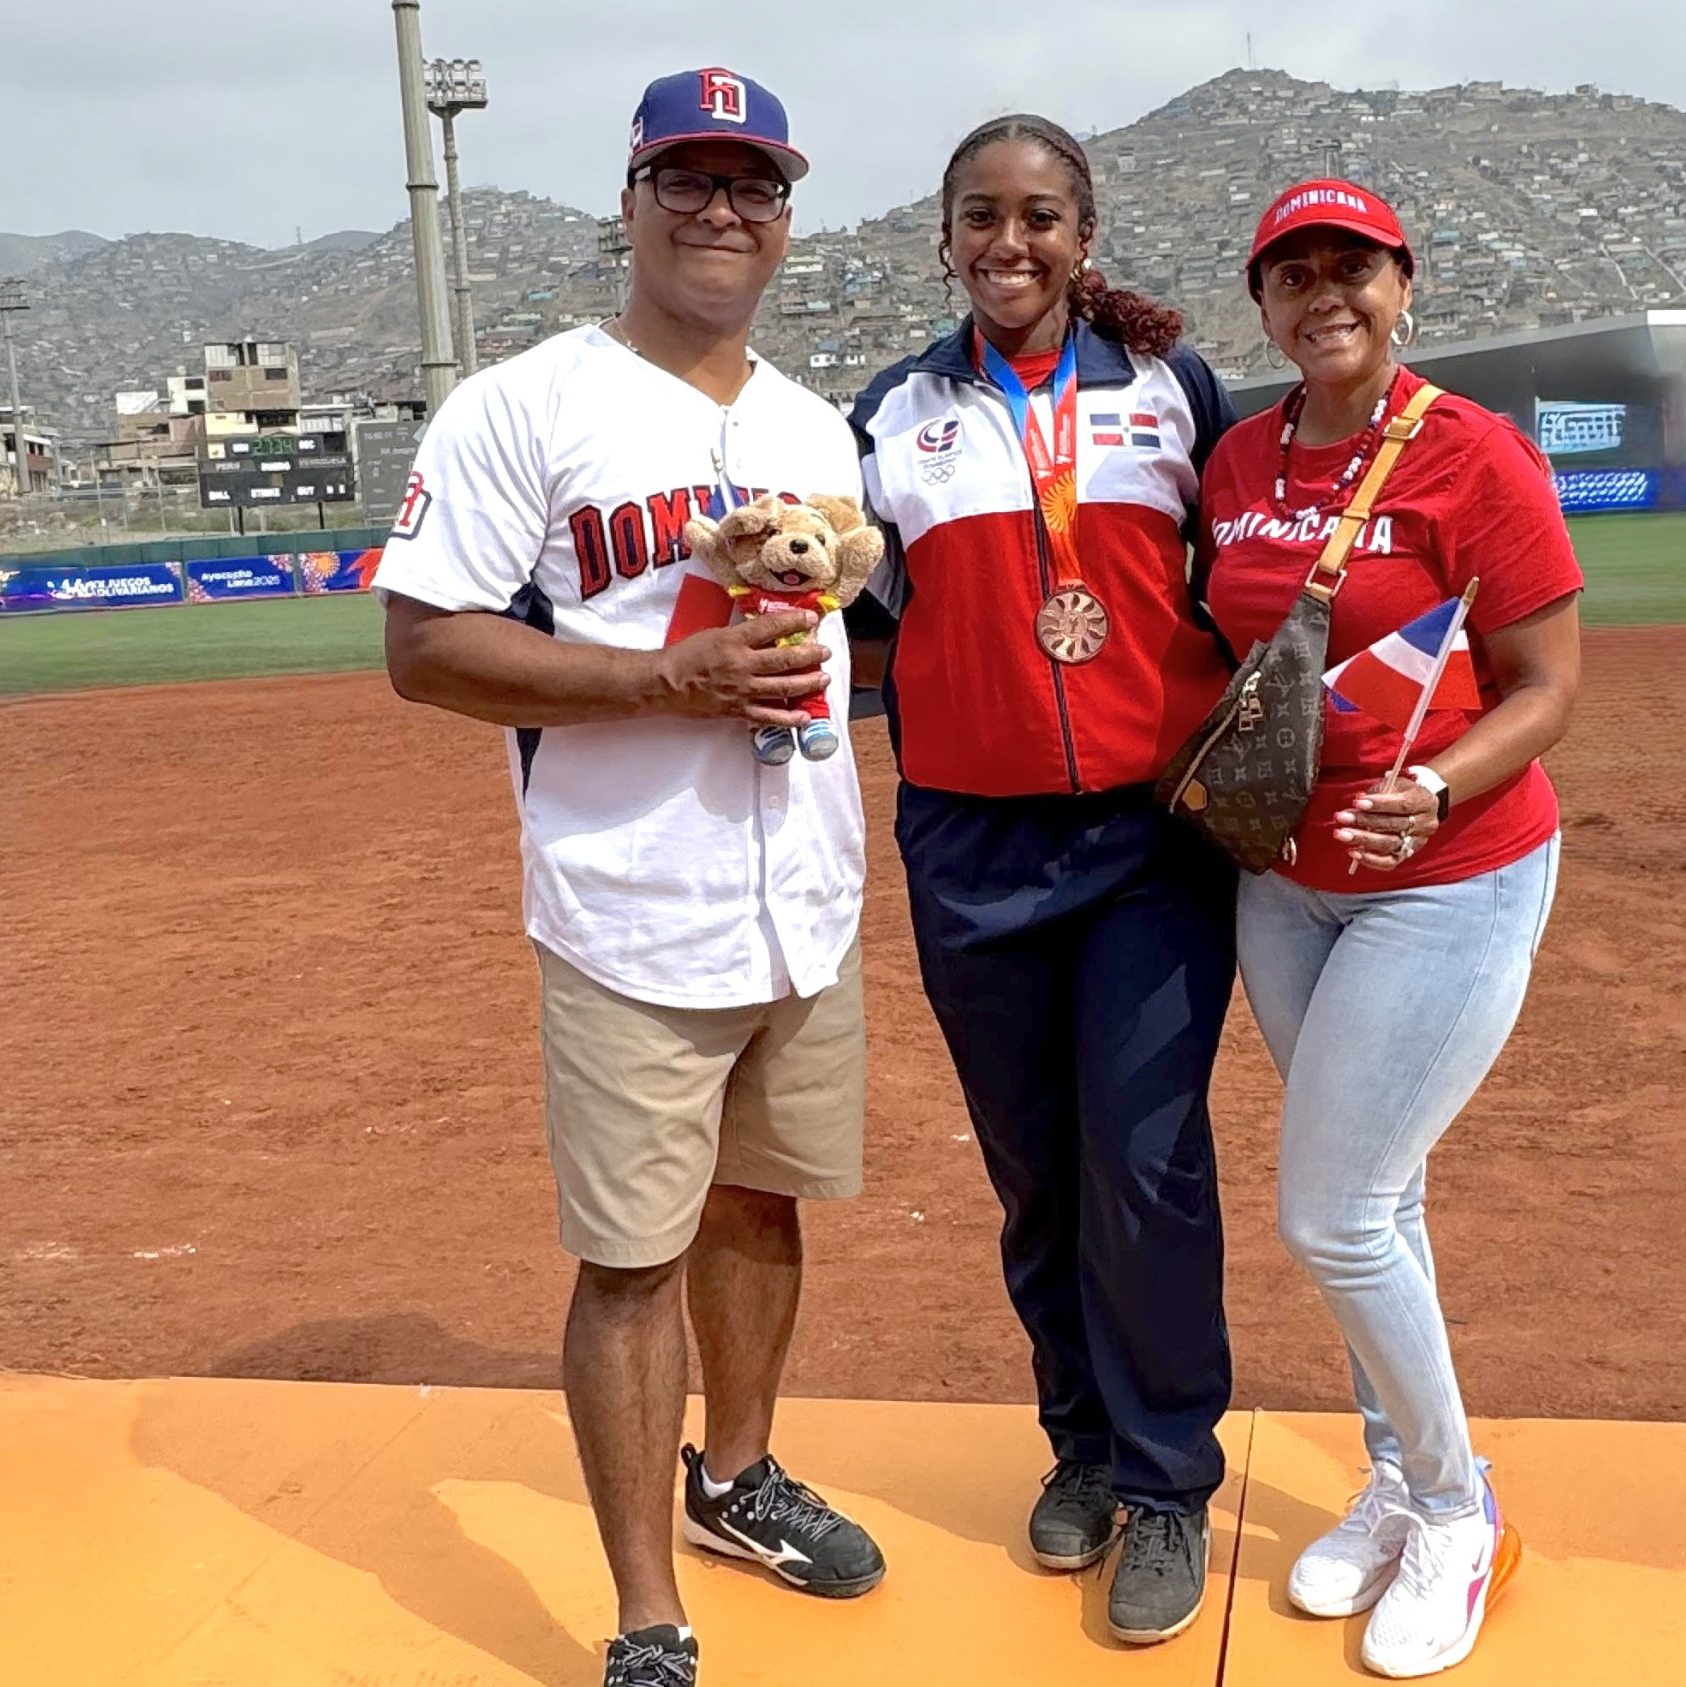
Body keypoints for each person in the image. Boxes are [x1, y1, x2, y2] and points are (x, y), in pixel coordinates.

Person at [373, 66, 883, 1687]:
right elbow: (426, 648)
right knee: (630, 1258)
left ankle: (738, 1475)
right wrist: (659, 684)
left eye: (756, 184)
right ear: (634, 201)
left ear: (788, 218)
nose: (723, 209)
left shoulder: (812, 427)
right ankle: (648, 1611)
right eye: (689, 179)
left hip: (801, 892)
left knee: (762, 1206)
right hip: (628, 905)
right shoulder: (523, 405)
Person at [846, 114, 1239, 1647]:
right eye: (982, 218)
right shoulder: (893, 413)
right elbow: (864, 629)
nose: (1011, 244)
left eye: (1041, 218)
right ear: (945, 236)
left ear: (1085, 233)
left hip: (1149, 848)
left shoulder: (1169, 391)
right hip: (972, 846)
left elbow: (1241, 578)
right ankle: (1078, 1441)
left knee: (1143, 1164)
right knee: (1036, 1171)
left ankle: (1166, 1480)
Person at [1196, 179, 1583, 1679]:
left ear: (1403, 285)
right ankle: (1395, 1476)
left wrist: (1433, 786)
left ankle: (1453, 1509)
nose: (1322, 296)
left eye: (1350, 267)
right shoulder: (1236, 458)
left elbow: (1547, 687)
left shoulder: (1472, 457)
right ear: (1267, 306)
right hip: (1283, 880)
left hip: (1449, 872)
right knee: (1383, 1200)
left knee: (1332, 1213)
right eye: (1292, 275)